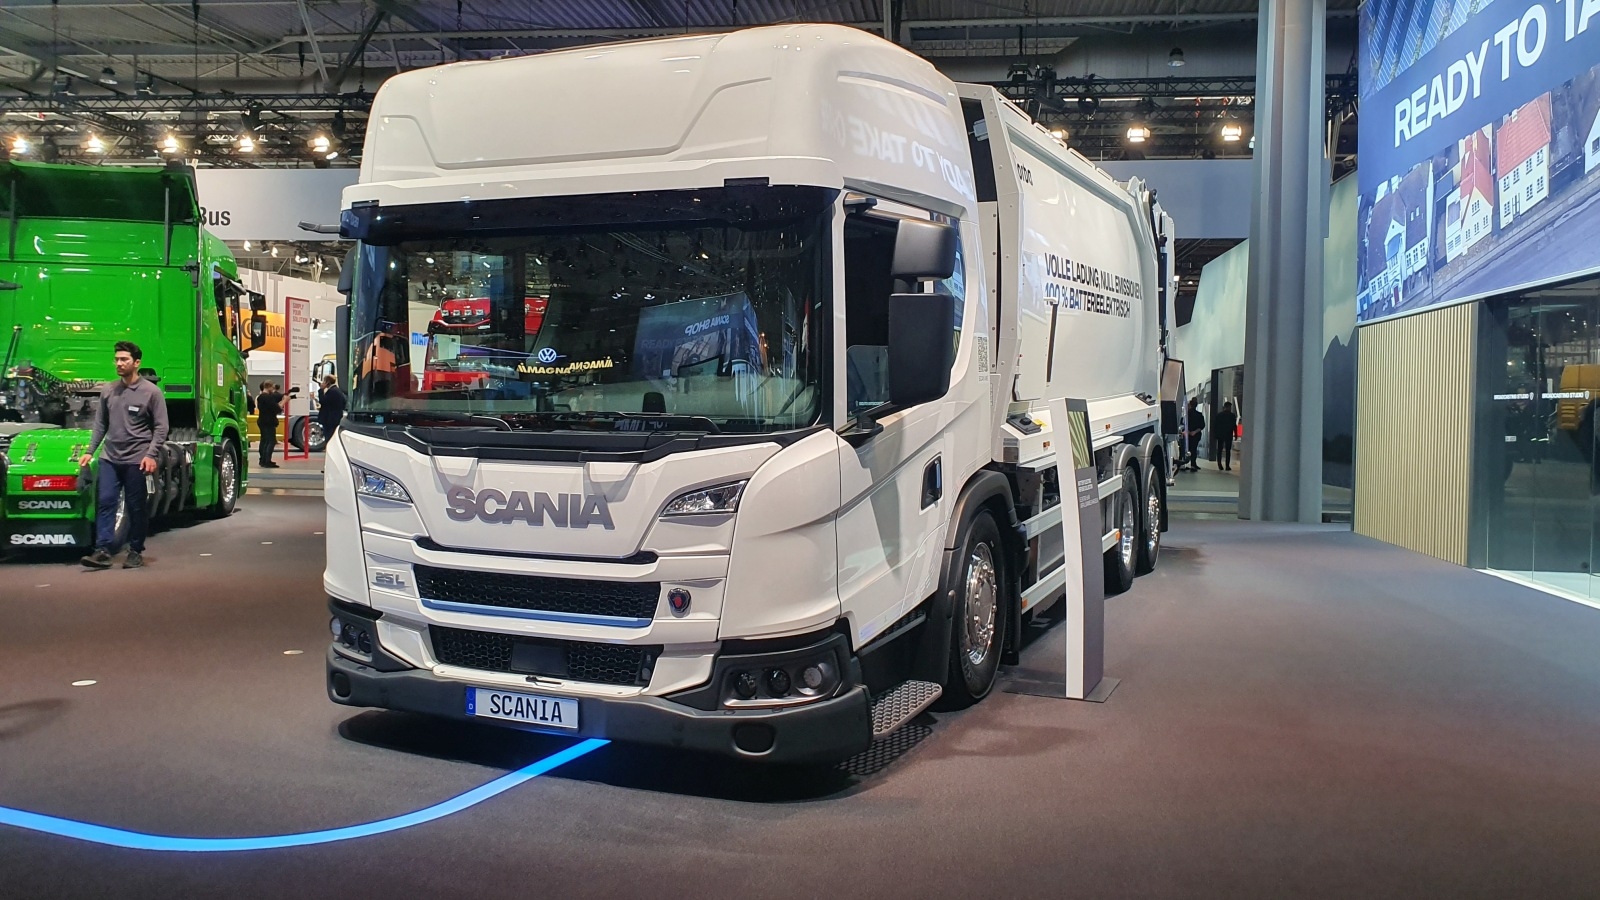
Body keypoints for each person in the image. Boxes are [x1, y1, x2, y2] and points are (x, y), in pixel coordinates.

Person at [79, 341, 168, 570]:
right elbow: (100, 424)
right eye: (117, 359)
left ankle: (135, 551)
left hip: (137, 459)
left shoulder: (152, 392)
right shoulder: (109, 390)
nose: (119, 363)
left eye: (124, 360)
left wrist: (151, 455)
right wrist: (90, 452)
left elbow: (161, 428)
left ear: (136, 363)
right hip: (110, 458)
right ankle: (102, 550)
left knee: (136, 506)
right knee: (106, 501)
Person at [256, 380, 283, 469]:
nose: (273, 390)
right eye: (272, 387)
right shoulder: (268, 398)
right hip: (269, 421)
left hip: (262, 420)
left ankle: (262, 460)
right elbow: (277, 409)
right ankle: (267, 461)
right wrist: (284, 401)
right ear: (269, 387)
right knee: (271, 441)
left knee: (264, 441)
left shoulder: (260, 397)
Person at [317, 374, 346, 441]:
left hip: (330, 419)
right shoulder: (337, 390)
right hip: (335, 418)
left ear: (327, 382)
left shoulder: (332, 391)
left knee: (329, 436)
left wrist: (321, 390)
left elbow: (323, 401)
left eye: (324, 381)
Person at [1214, 401, 1238, 472]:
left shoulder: (1219, 415)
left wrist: (1216, 434)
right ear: (1229, 407)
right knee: (1228, 450)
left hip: (1220, 435)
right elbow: (1234, 426)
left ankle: (1219, 464)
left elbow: (1215, 426)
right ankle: (1227, 465)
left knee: (1219, 450)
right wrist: (1235, 434)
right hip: (1228, 434)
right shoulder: (1232, 416)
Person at [1183, 398, 1206, 472]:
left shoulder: (1186, 415)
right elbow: (1202, 426)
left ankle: (1184, 463)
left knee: (1185, 449)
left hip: (1186, 435)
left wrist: (1188, 431)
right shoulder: (1199, 415)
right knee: (1194, 449)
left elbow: (1183, 424)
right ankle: (1193, 464)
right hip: (1196, 435)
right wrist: (1195, 432)